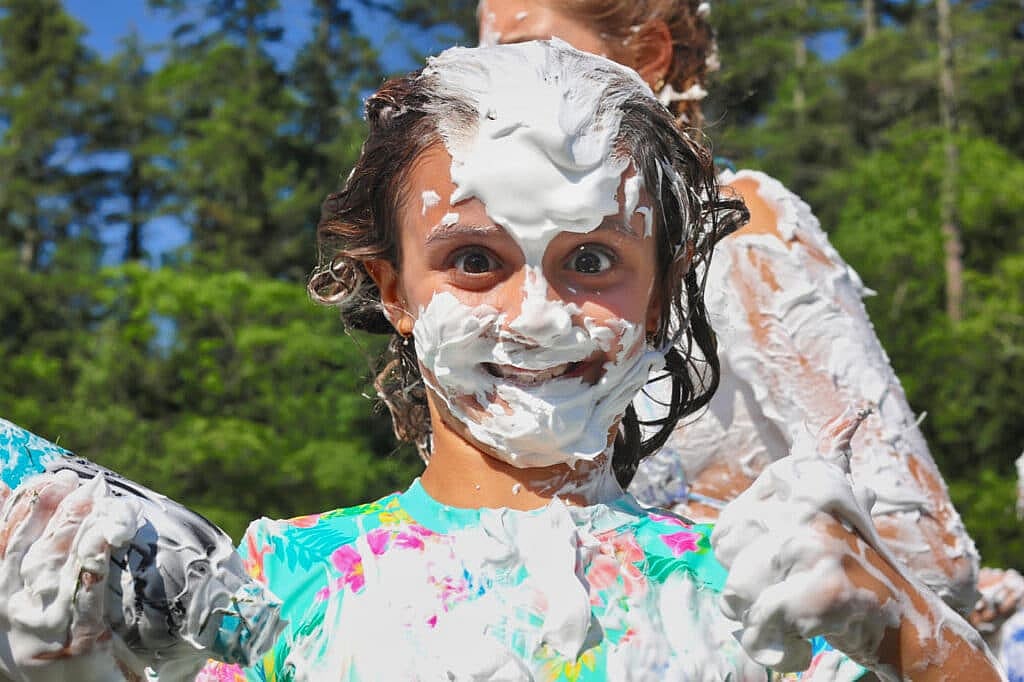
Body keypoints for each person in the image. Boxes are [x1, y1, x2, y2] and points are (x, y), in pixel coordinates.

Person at [0, 41, 1001, 681]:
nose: (537, 314)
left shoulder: (756, 589)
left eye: (593, 261)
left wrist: (911, 632)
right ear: (391, 287)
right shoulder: (280, 588)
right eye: (472, 260)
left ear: (664, 292)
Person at [476, 0, 984, 618]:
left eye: (526, 52)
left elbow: (930, 554)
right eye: (481, 59)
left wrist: (663, 547)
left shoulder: (739, 232)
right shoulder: (496, 288)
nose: (493, 89)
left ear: (649, 55)